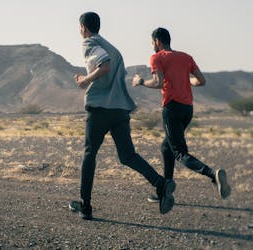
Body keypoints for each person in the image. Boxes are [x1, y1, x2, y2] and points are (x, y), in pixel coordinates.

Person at [69, 12, 175, 220]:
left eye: (79, 28)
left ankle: (85, 205)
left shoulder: (89, 43)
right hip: (119, 109)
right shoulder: (114, 48)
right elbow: (112, 67)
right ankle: (161, 183)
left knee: (90, 154)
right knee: (128, 156)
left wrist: (85, 80)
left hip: (100, 108)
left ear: (83, 28)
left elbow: (104, 65)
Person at [132, 27, 231, 202]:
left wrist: (140, 81)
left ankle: (212, 174)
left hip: (172, 109)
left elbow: (157, 82)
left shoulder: (157, 57)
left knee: (179, 153)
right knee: (166, 147)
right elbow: (201, 81)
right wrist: (185, 81)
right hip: (187, 110)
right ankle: (165, 190)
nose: (152, 46)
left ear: (157, 41)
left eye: (152, 43)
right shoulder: (186, 57)